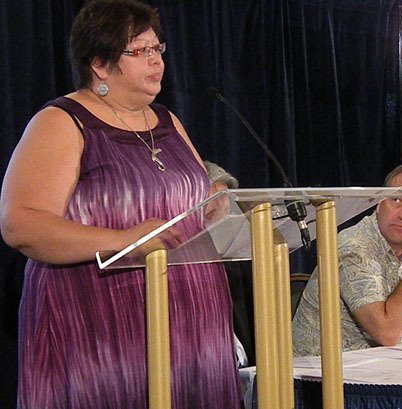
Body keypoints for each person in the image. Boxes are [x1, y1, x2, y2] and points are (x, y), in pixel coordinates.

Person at [0, 1, 240, 408]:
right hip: (102, 327)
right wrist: (124, 239)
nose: (156, 61)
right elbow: (21, 224)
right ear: (99, 63)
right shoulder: (63, 121)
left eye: (158, 49)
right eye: (140, 51)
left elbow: (193, 197)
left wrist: (214, 201)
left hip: (191, 329)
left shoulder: (167, 121)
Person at [292, 163, 402, 356]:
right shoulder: (353, 247)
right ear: (378, 203)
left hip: (377, 368)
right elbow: (387, 333)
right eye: (396, 200)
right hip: (318, 374)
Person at [204, 161, 255, 367]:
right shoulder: (175, 264)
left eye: (227, 200)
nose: (225, 207)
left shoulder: (238, 261)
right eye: (216, 200)